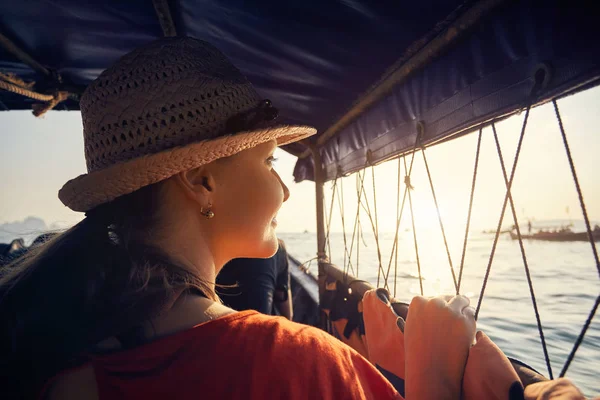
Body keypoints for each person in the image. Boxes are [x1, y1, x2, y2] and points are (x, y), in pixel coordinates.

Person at [0, 37, 590, 400]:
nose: (285, 188)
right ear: (201, 179)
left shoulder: (62, 360)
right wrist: (433, 377)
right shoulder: (296, 365)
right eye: (267, 160)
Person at [217, 239, 293, 319]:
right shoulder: (278, 247)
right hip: (261, 326)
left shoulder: (215, 246)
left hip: (217, 324)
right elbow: (288, 314)